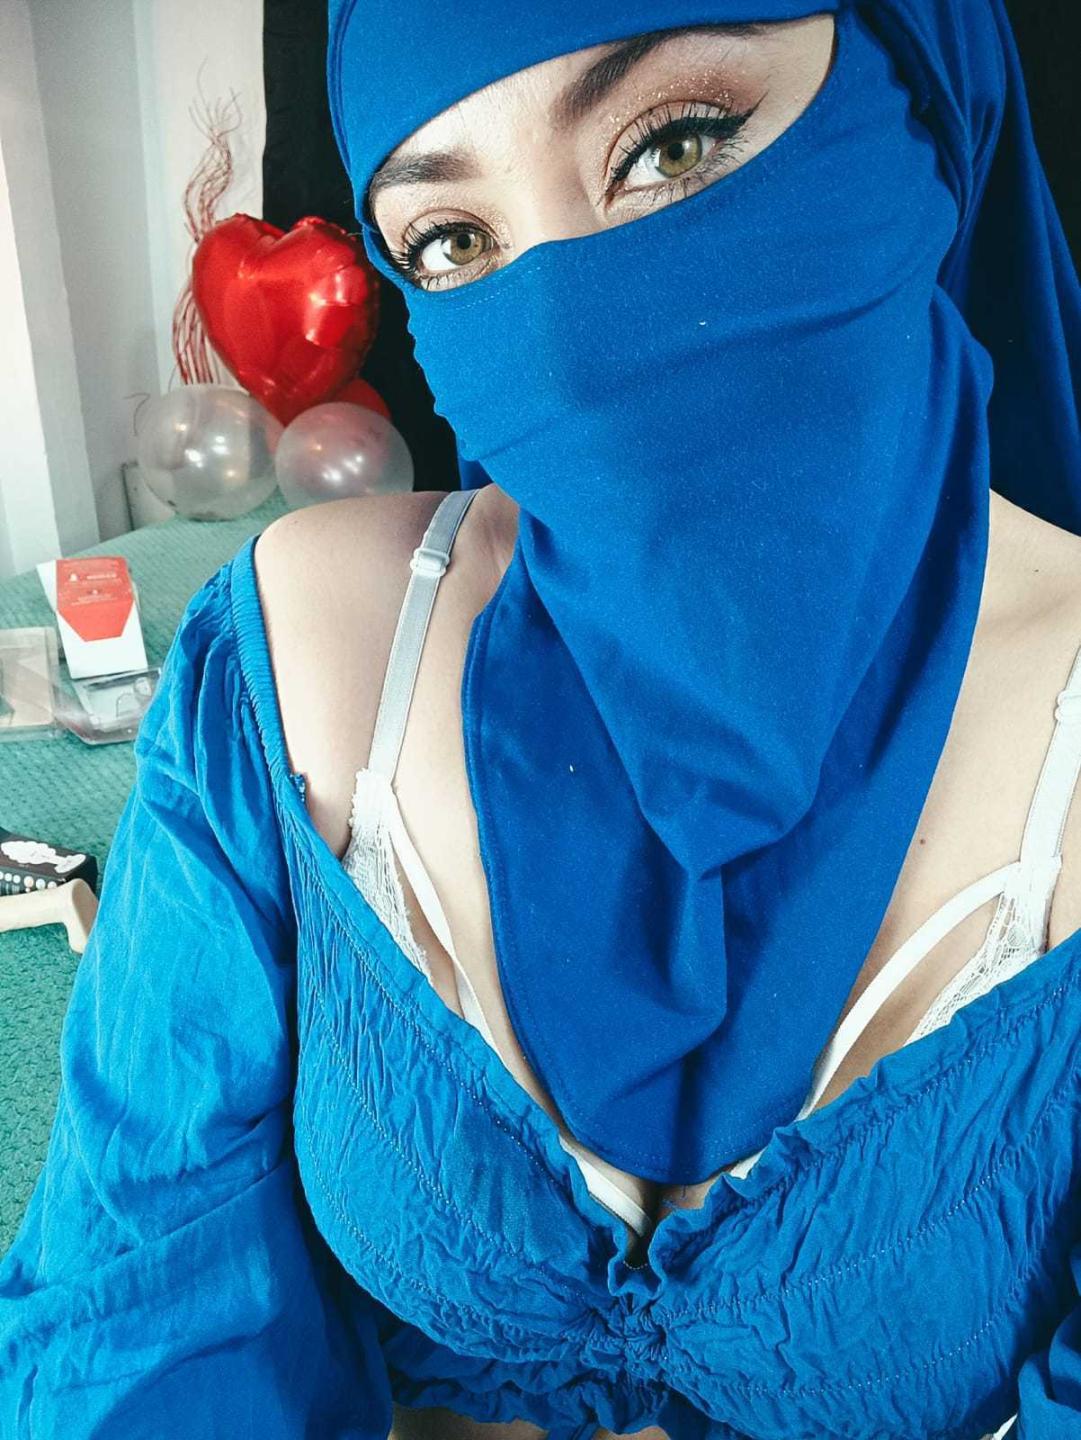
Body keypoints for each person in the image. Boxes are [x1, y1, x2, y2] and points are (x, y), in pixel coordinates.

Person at [1, 3, 1080, 1439]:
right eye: (453, 241)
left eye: (676, 145)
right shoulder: (291, 650)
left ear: (925, 108)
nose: (567, 344)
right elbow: (138, 1315)